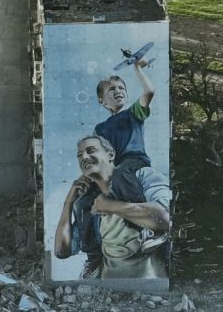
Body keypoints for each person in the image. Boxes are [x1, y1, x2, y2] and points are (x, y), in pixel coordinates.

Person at [69, 59, 157, 278]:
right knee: (83, 202)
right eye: (111, 89)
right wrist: (86, 179)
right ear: (102, 100)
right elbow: (98, 156)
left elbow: (150, 92)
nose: (118, 91)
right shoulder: (100, 128)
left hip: (132, 162)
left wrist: (137, 68)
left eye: (121, 88)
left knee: (119, 174)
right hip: (111, 169)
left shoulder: (134, 114)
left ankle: (147, 229)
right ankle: (93, 254)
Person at [54, 135, 171, 279]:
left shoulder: (140, 176)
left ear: (111, 155)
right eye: (79, 155)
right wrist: (68, 203)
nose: (84, 157)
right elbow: (61, 251)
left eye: (91, 150)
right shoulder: (87, 204)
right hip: (108, 288)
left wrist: (110, 206)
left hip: (150, 283)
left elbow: (166, 218)